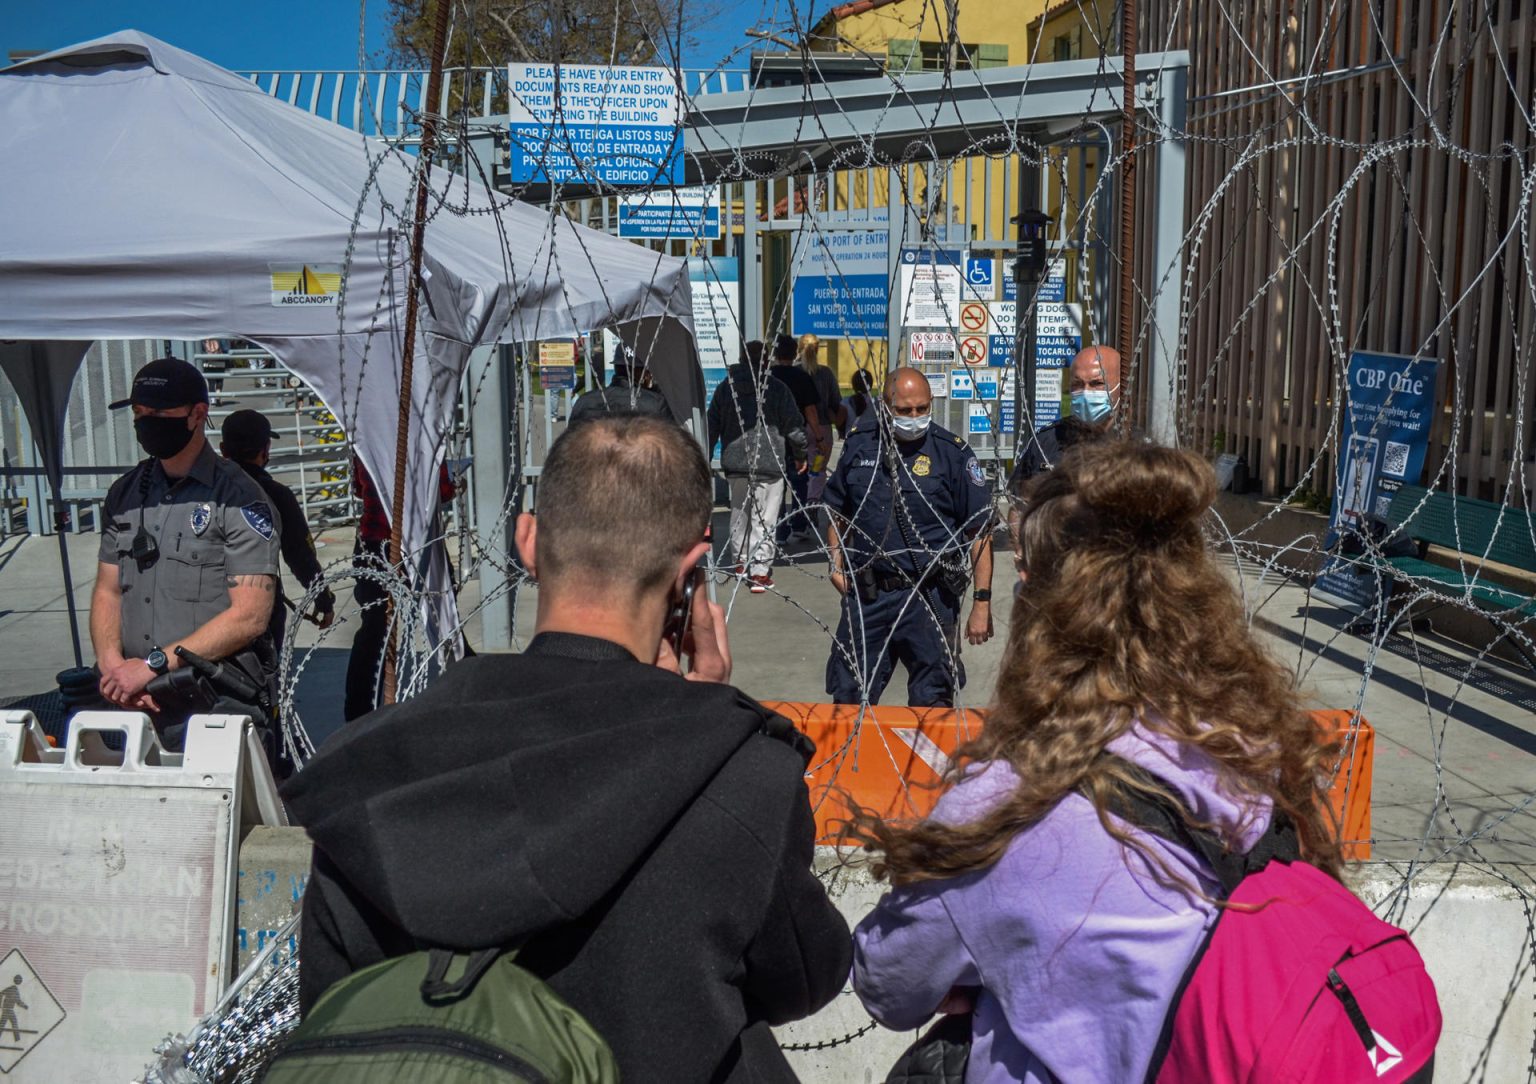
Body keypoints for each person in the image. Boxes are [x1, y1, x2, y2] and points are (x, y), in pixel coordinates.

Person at [284, 415, 852, 1083]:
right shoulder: (739, 774)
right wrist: (696, 715)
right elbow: (804, 976)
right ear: (691, 573)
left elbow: (329, 1006)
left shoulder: (373, 769)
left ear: (528, 540)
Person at [846, 442, 1347, 1082]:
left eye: (1023, 570)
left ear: (1046, 603)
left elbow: (889, 981)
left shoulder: (1010, 803)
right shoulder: (1254, 747)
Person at [91, 357, 281, 751]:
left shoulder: (239, 499)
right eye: (140, 413)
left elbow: (249, 616)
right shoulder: (125, 495)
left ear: (198, 415)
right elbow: (108, 590)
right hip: (135, 702)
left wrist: (151, 666)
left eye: (159, 412)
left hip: (211, 703)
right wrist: (113, 669)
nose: (147, 422)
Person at [824, 367, 995, 707]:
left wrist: (982, 602)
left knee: (933, 699)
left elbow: (979, 532)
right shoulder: (861, 446)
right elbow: (837, 511)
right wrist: (835, 562)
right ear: (886, 406)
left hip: (929, 598)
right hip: (869, 595)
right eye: (904, 411)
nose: (914, 417)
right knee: (849, 697)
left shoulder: (951, 454)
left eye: (921, 409)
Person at [342, 455, 456, 721]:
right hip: (417, 541)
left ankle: (358, 712)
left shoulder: (366, 439)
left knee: (374, 629)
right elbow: (442, 490)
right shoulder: (422, 437)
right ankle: (462, 695)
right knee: (444, 623)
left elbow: (359, 489)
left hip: (373, 542)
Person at [220, 410, 335, 661]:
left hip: (206, 607)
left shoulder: (204, 492)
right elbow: (300, 555)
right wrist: (323, 599)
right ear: (265, 449)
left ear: (222, 450)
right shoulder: (275, 494)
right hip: (259, 606)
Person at [707, 340, 808, 593]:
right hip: (769, 462)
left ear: (741, 361)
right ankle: (760, 572)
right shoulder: (776, 389)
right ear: (766, 362)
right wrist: (800, 454)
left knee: (739, 513)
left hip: (736, 462)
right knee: (765, 517)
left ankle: (740, 563)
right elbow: (794, 427)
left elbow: (711, 425)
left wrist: (704, 456)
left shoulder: (725, 389)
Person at [1010, 343, 1122, 490]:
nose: (1086, 392)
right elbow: (1017, 504)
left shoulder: (1133, 443)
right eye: (1078, 384)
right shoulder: (1047, 441)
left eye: (1097, 383)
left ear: (1120, 386)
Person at [770, 333, 828, 542]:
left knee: (776, 484)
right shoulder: (801, 377)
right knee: (799, 482)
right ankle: (799, 524)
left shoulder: (768, 377)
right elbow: (810, 410)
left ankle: (779, 529)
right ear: (794, 352)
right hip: (795, 437)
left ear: (775, 353)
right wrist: (820, 438)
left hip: (772, 436)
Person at [566, 349, 671, 428]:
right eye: (648, 370)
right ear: (644, 373)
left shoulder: (584, 401)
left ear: (616, 367)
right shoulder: (656, 404)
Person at [839, 366, 877, 439]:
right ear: (871, 384)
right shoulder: (877, 403)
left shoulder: (845, 403)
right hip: (872, 443)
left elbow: (839, 422)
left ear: (854, 385)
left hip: (851, 442)